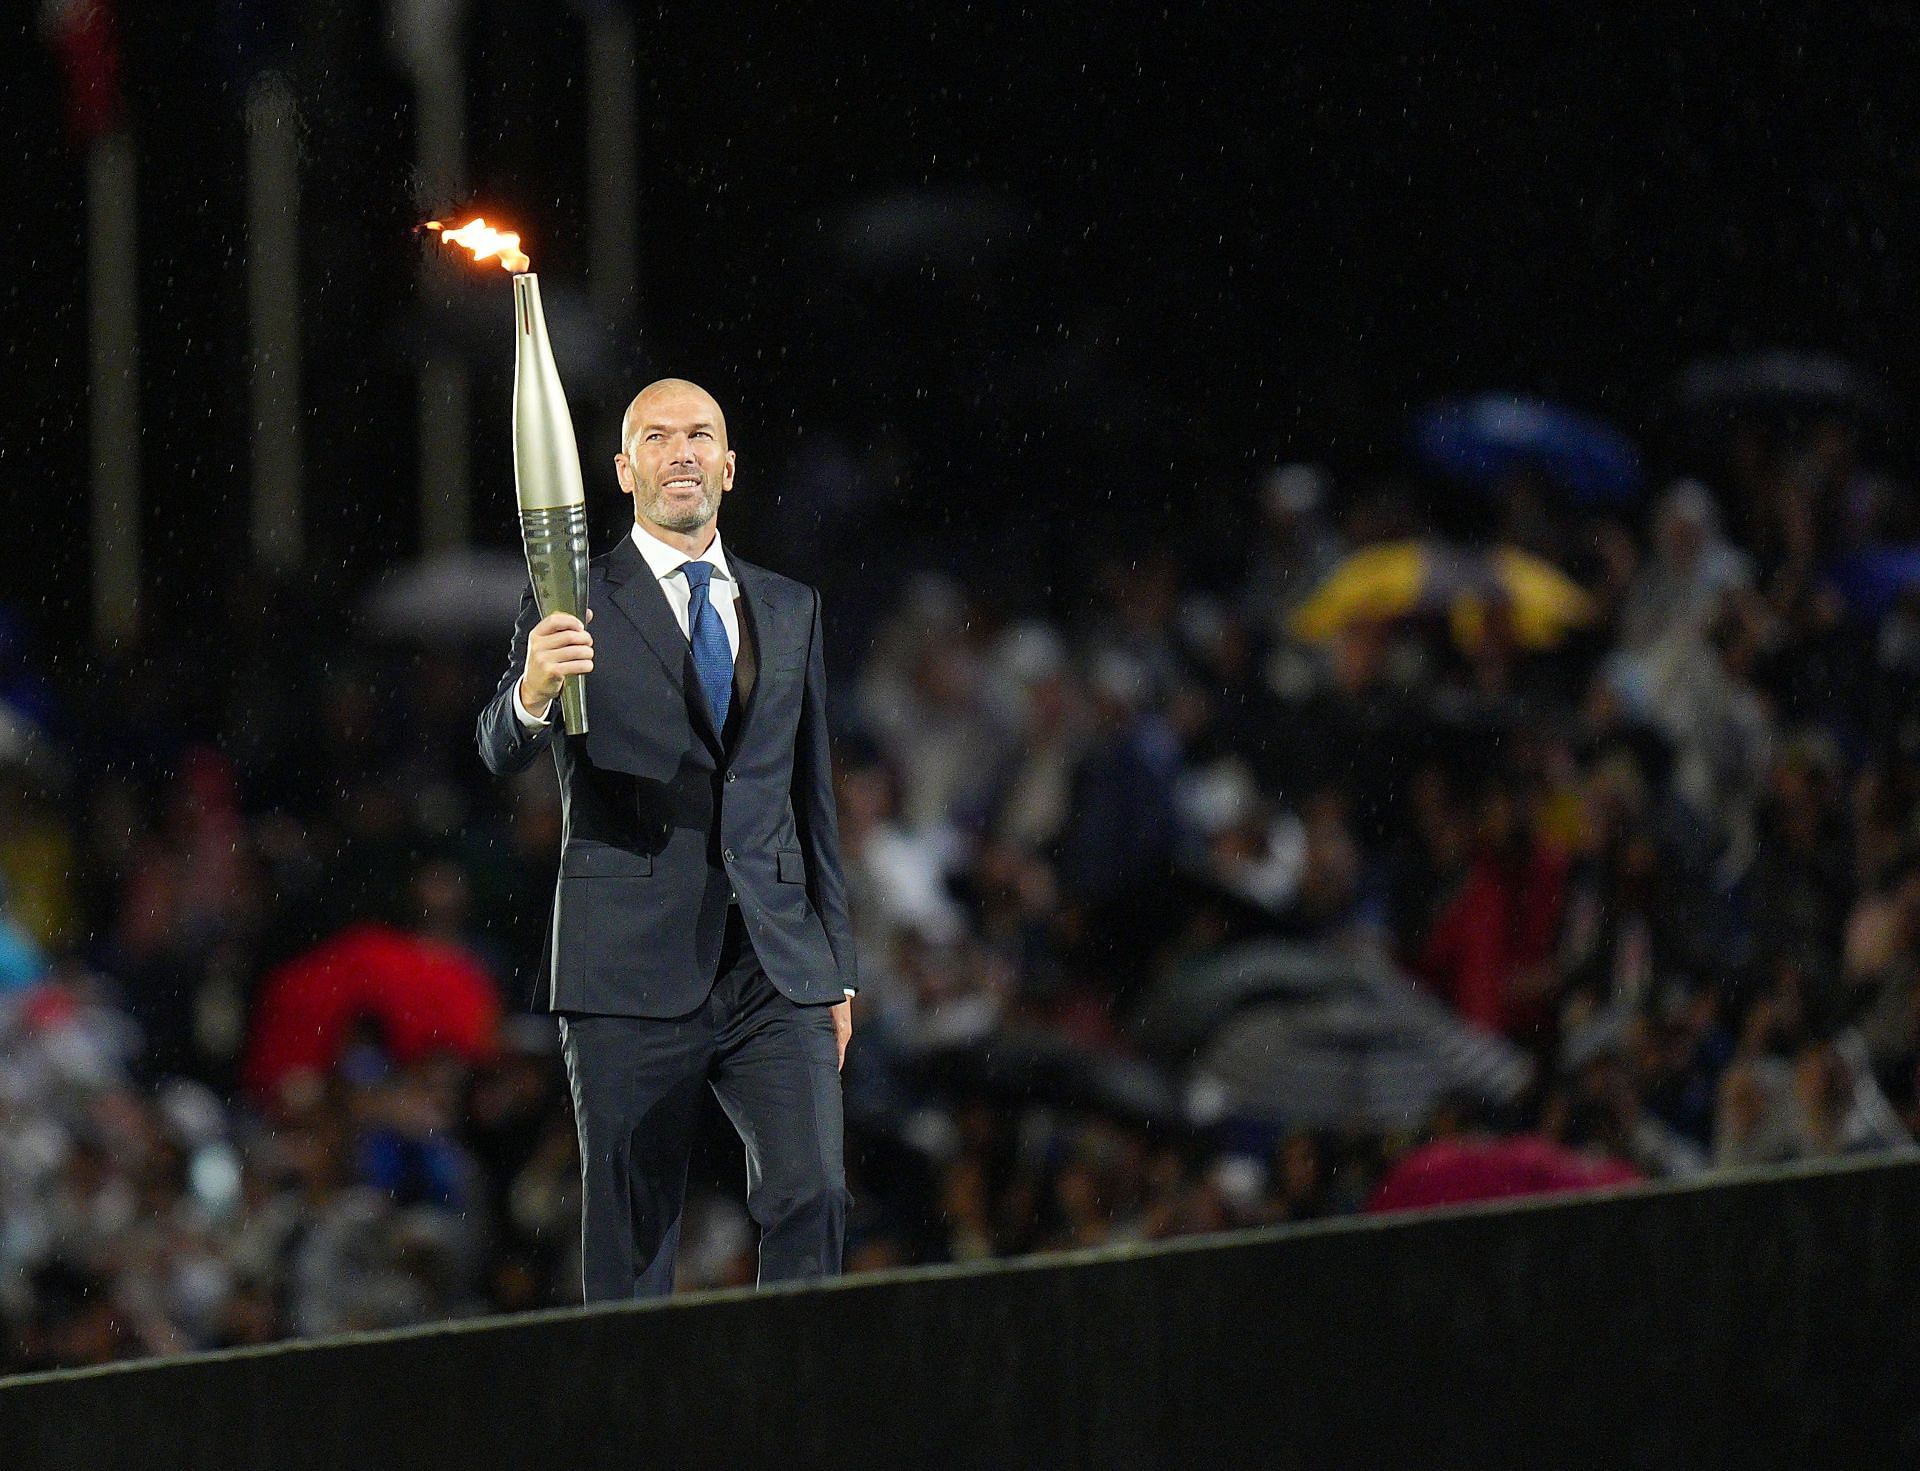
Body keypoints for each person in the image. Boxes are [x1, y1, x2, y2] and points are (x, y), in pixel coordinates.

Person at [476, 378, 858, 1301]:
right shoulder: (571, 597)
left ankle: (794, 1414)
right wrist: (531, 690)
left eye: (699, 435)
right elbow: (495, 744)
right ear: (621, 468)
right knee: (634, 1229)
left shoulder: (789, 606)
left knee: (812, 1192)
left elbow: (813, 801)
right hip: (629, 968)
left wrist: (837, 966)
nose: (680, 451)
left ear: (729, 465)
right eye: (656, 436)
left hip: (775, 962)